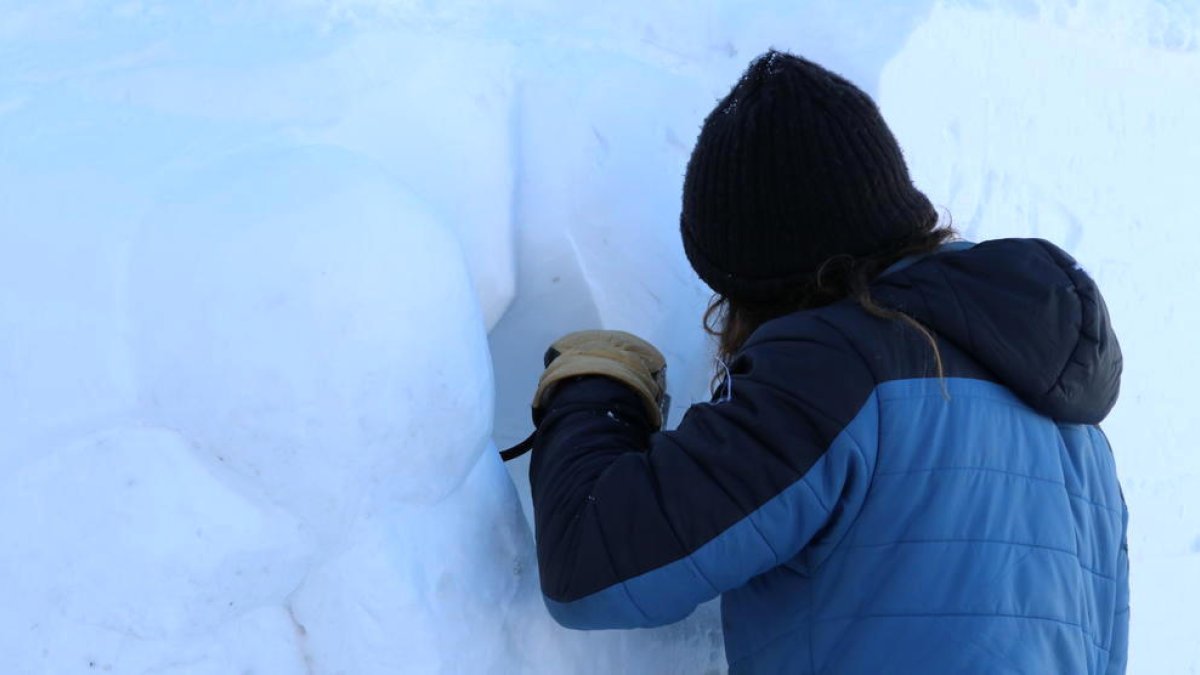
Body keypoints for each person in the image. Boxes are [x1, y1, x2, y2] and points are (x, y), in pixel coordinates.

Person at [525, 51, 1128, 674]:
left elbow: (589, 567)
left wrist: (597, 388)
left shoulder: (838, 371)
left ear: (770, 280)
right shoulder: (1075, 430)